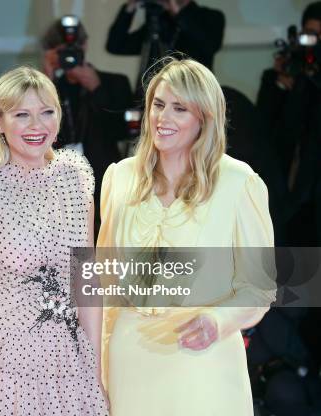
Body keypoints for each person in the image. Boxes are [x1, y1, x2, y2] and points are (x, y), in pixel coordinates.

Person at [97, 58, 276, 415]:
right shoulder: (119, 176)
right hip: (128, 362)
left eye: (179, 108)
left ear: (204, 119)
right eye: (158, 105)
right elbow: (103, 283)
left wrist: (217, 321)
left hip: (204, 361)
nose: (163, 118)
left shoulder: (239, 182)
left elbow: (258, 288)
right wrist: (96, 367)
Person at [0, 66, 108, 415]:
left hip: (68, 361)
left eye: (47, 112)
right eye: (22, 115)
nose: (38, 126)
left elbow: (86, 281)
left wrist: (95, 373)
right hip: (2, 361)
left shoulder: (76, 179)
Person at [42, 16, 132, 226]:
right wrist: (47, 81)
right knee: (73, 255)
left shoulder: (114, 83)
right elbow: (40, 134)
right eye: (62, 51)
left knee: (108, 251)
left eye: (73, 48)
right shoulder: (48, 89)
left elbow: (123, 133)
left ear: (84, 45)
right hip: (59, 187)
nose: (69, 57)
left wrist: (97, 90)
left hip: (105, 182)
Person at [256, 1, 321, 245]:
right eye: (311, 35)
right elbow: (263, 122)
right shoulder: (282, 74)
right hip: (286, 184)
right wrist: (283, 84)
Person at [105, 0, 225, 72]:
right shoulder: (160, 21)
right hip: (157, 96)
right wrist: (130, 7)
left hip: (195, 94)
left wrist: (177, 12)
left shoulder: (211, 17)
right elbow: (116, 46)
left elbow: (209, 46)